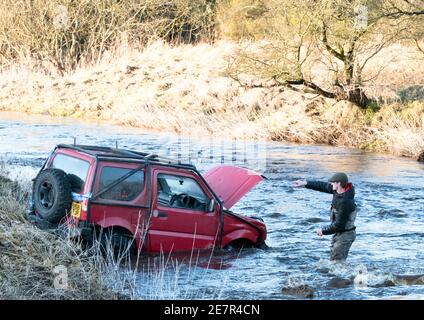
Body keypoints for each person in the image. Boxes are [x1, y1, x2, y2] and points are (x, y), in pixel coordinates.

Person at [293, 172, 357, 262]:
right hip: (339, 233)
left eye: (333, 182)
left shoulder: (344, 202)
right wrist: (305, 184)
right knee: (335, 262)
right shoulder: (339, 190)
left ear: (339, 183)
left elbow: (339, 225)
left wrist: (323, 231)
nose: (331, 184)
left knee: (337, 263)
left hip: (345, 235)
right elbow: (322, 186)